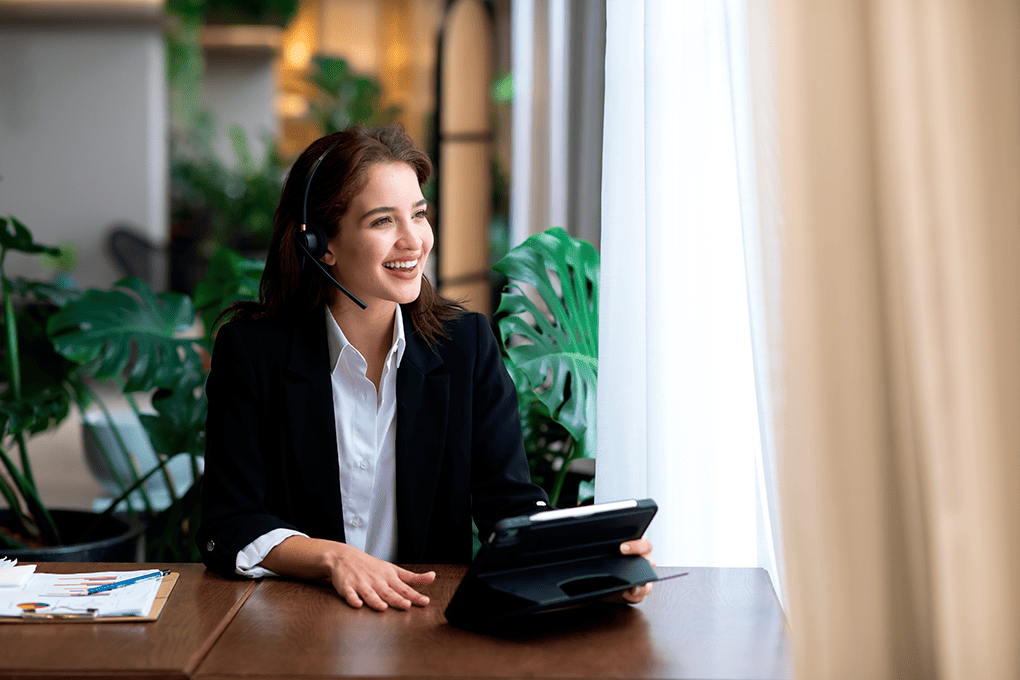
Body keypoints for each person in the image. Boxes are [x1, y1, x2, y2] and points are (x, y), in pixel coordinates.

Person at [197, 126, 652, 611]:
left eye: (418, 214)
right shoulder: (253, 352)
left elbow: (511, 504)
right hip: (298, 618)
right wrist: (334, 558)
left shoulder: (466, 347)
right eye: (382, 222)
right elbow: (229, 524)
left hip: (421, 620)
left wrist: (590, 562)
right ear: (320, 243)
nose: (413, 241)